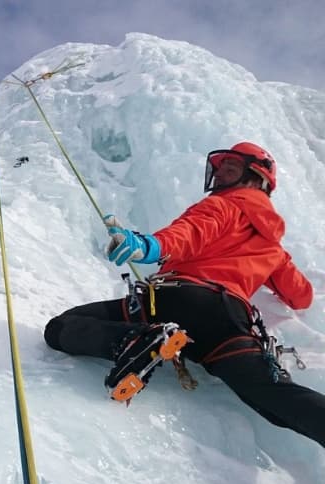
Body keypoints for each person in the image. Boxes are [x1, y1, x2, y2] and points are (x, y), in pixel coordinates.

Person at [44, 141, 325, 445]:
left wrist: (149, 246)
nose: (219, 176)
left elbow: (190, 233)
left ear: (256, 177)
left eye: (230, 168)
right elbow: (301, 297)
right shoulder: (273, 247)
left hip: (175, 300)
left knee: (61, 327)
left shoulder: (222, 205)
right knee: (274, 396)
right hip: (227, 324)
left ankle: (135, 341)